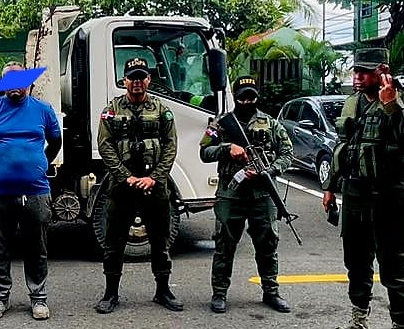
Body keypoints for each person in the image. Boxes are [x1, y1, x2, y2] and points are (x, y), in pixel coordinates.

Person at [321, 47, 404, 329]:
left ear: (383, 70)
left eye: (365, 72)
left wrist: (391, 105)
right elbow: (343, 145)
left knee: (393, 265)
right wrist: (330, 187)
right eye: (356, 71)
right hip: (356, 191)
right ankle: (359, 320)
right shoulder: (353, 101)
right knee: (356, 259)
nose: (357, 77)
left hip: (390, 192)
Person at [0, 62, 62, 321]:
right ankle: (0, 299)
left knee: (37, 247)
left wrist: (37, 165)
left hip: (36, 191)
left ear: (29, 83)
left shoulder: (43, 111)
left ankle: (39, 299)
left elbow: (55, 142)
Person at [200, 75, 294, 314]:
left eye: (251, 96)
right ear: (236, 97)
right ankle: (219, 293)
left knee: (267, 243)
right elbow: (205, 152)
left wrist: (269, 171)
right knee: (224, 244)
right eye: (242, 97)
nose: (247, 101)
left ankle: (271, 291)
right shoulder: (222, 123)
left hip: (262, 193)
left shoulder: (270, 124)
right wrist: (227, 148)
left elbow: (287, 153)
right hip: (231, 194)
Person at [95, 56, 181, 314]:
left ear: (148, 80)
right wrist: (126, 176)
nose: (136, 82)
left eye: (141, 77)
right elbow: (105, 145)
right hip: (122, 187)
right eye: (132, 77)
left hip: (154, 186)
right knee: (114, 242)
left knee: (160, 241)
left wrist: (154, 178)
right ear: (124, 81)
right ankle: (111, 293)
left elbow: (170, 146)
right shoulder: (111, 110)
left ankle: (163, 290)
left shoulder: (162, 110)